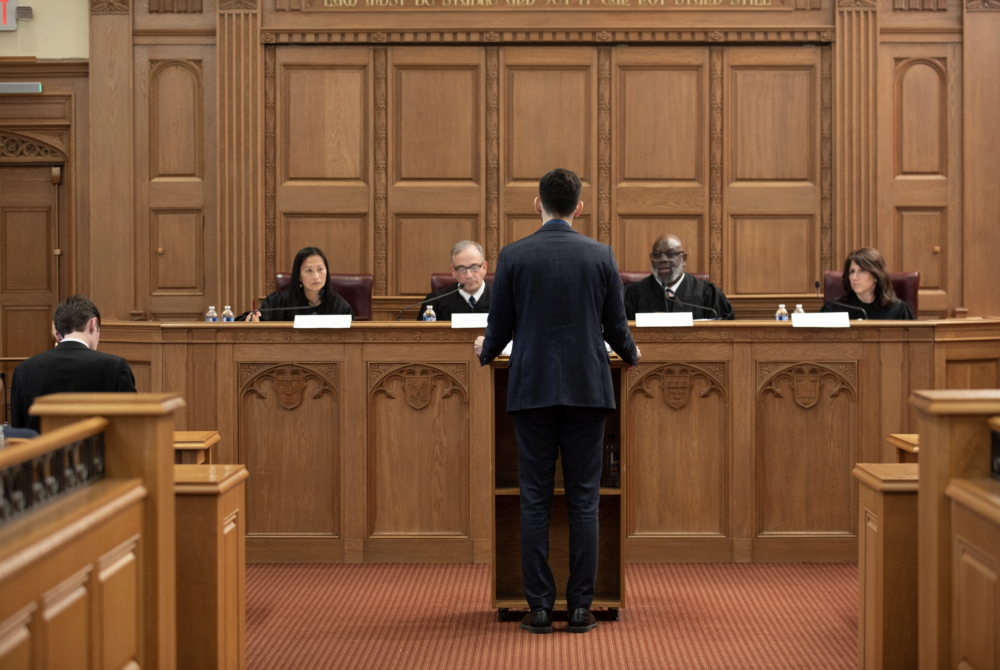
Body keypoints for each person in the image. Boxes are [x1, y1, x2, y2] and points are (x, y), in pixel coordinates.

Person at [475, 168, 639, 635]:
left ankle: (541, 608)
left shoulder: (514, 255)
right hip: (588, 390)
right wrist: (631, 355)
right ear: (579, 208)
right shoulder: (601, 254)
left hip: (532, 391)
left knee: (535, 501)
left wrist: (485, 353)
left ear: (537, 204)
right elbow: (615, 325)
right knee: (585, 501)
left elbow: (500, 327)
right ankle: (583, 608)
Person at [10, 294, 136, 433]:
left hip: (39, 454)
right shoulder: (115, 367)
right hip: (98, 454)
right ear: (93, 324)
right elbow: (132, 427)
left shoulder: (23, 370)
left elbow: (18, 433)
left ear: (58, 333)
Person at [623, 234, 734, 320]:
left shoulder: (708, 294)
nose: (663, 259)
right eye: (657, 255)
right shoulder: (633, 294)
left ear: (683, 259)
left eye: (670, 254)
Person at [245, 246, 353, 321]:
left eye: (320, 269)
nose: (316, 276)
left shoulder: (340, 307)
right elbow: (249, 320)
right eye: (309, 270)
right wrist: (251, 319)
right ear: (299, 276)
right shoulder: (279, 302)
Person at [821, 247, 915, 320]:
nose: (854, 277)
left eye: (862, 271)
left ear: (876, 275)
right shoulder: (834, 308)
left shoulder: (898, 310)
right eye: (852, 271)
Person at [416, 241, 492, 321]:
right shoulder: (435, 301)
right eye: (461, 269)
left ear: (484, 267)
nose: (469, 275)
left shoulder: (502, 298)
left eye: (474, 267)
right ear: (453, 271)